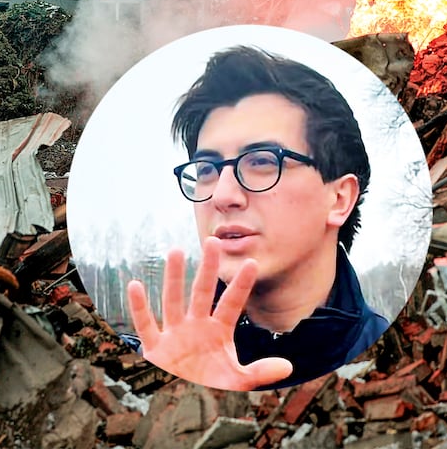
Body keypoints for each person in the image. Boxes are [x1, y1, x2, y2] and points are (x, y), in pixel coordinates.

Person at [127, 46, 389, 391]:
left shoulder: (396, 358)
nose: (222, 196)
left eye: (263, 162)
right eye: (206, 169)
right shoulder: (143, 367)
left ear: (339, 199)